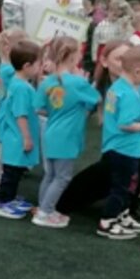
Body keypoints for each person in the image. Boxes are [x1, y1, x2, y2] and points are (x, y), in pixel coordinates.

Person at [32, 37, 99, 228]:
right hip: (67, 136)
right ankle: (45, 213)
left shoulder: (47, 82)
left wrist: (57, 112)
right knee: (62, 176)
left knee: (50, 174)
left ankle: (44, 207)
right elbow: (95, 99)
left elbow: (38, 108)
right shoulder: (77, 82)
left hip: (50, 132)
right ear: (73, 57)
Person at [97, 45, 140, 240]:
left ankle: (121, 215)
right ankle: (108, 221)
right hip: (125, 149)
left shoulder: (116, 88)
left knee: (127, 186)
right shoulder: (130, 94)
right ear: (138, 71)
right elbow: (125, 124)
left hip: (116, 147)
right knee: (122, 188)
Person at [0, 41, 41, 219]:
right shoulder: (21, 87)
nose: (40, 68)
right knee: (11, 172)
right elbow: (21, 115)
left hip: (15, 136)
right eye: (38, 64)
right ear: (27, 66)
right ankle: (3, 202)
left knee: (15, 171)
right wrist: (27, 137)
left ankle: (10, 198)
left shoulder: (18, 83)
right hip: (17, 137)